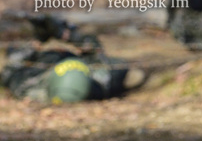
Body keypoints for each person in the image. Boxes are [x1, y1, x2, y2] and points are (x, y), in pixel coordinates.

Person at [0, 13, 145, 103]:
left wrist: (37, 41)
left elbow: (11, 68)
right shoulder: (100, 81)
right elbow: (101, 56)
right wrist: (69, 35)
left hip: (38, 61)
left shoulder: (29, 87)